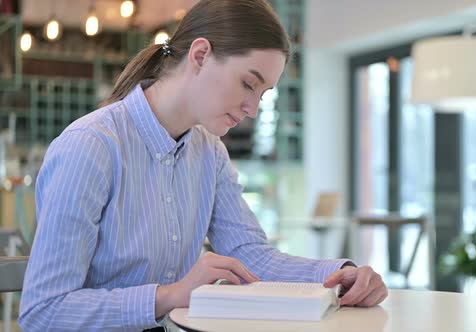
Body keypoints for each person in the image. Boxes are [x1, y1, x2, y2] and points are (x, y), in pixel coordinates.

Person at [18, 0, 387, 330]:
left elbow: (250, 256)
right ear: (200, 55)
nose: (252, 109)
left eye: (262, 94)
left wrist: (341, 275)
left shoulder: (209, 153)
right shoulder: (91, 146)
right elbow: (44, 312)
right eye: (247, 83)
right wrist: (169, 295)